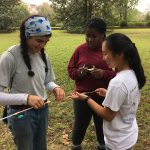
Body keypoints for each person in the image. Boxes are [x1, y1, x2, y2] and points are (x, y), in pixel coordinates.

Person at [69, 33, 146, 150]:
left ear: (120, 54)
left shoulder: (118, 83)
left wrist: (86, 98)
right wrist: (108, 93)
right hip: (128, 135)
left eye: (105, 53)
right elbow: (125, 98)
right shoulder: (132, 73)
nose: (103, 58)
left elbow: (107, 115)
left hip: (117, 142)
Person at [0, 15, 65, 150]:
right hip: (21, 114)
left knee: (41, 146)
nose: (42, 46)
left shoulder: (43, 55)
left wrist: (55, 87)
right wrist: (26, 98)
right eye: (39, 41)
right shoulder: (10, 57)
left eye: (45, 42)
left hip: (42, 110)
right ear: (27, 36)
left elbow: (47, 81)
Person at [67, 17, 116, 150]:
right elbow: (71, 71)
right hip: (82, 96)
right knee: (80, 124)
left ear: (103, 36)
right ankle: (76, 146)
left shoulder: (110, 51)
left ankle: (102, 145)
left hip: (104, 95)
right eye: (87, 35)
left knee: (102, 124)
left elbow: (118, 74)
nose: (89, 39)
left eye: (93, 36)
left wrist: (103, 73)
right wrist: (80, 73)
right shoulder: (79, 50)